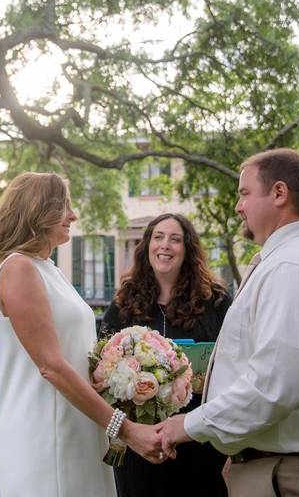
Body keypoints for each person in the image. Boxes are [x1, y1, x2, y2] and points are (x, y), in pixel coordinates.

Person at [158, 149, 299, 496]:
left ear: (279, 193)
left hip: (292, 476)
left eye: (245, 193)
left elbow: (274, 386)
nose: (239, 206)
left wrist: (184, 426)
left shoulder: (293, 269)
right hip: (272, 466)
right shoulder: (286, 262)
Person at [0, 172, 163, 497]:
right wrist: (125, 428)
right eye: (64, 206)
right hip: (43, 434)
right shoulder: (18, 268)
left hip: (81, 427)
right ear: (38, 210)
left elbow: (77, 352)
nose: (73, 215)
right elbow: (50, 365)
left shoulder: (49, 269)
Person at [102, 213, 232, 497]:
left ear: (187, 249)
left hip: (200, 443)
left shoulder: (216, 303)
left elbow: (236, 367)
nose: (165, 245)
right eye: (158, 237)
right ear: (147, 245)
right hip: (139, 446)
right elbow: (101, 369)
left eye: (175, 239)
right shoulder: (123, 304)